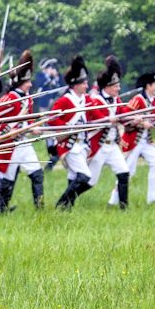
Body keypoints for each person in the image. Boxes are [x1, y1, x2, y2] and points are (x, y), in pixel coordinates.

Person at [0, 50, 44, 211]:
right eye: (27, 82)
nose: (30, 84)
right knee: (6, 181)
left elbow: (29, 120)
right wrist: (8, 130)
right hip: (11, 145)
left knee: (37, 174)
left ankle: (40, 208)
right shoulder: (9, 98)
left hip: (24, 143)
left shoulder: (27, 98)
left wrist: (33, 127)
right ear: (20, 82)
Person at [109, 71, 155, 206]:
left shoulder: (153, 101)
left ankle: (152, 200)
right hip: (133, 141)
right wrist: (140, 123)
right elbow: (126, 118)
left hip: (146, 141)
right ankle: (112, 201)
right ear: (148, 86)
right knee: (128, 172)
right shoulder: (138, 99)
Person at [85, 56, 131, 210]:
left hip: (112, 146)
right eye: (116, 86)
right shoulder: (96, 101)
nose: (118, 89)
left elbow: (124, 114)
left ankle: (124, 208)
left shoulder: (116, 100)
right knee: (90, 182)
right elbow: (97, 118)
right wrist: (109, 119)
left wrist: (134, 117)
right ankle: (66, 202)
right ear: (108, 87)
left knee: (124, 173)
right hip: (100, 146)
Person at [49, 56, 93, 210]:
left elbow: (96, 114)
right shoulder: (64, 100)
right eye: (84, 83)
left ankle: (67, 207)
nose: (87, 85)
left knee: (74, 177)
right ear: (75, 84)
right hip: (69, 145)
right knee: (85, 177)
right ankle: (61, 203)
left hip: (82, 144)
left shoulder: (86, 100)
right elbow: (52, 119)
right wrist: (67, 127)